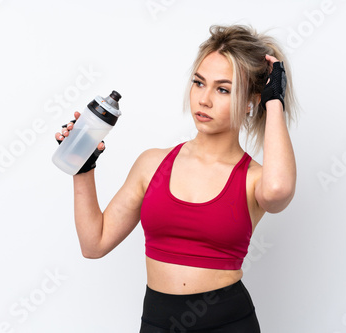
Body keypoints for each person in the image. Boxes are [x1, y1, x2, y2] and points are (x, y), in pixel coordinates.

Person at [55, 24, 297, 333]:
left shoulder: (254, 179)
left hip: (229, 324)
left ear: (252, 100)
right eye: (199, 83)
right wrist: (83, 167)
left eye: (223, 89)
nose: (204, 99)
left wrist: (274, 100)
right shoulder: (152, 164)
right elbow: (94, 244)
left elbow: (279, 190)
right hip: (157, 323)